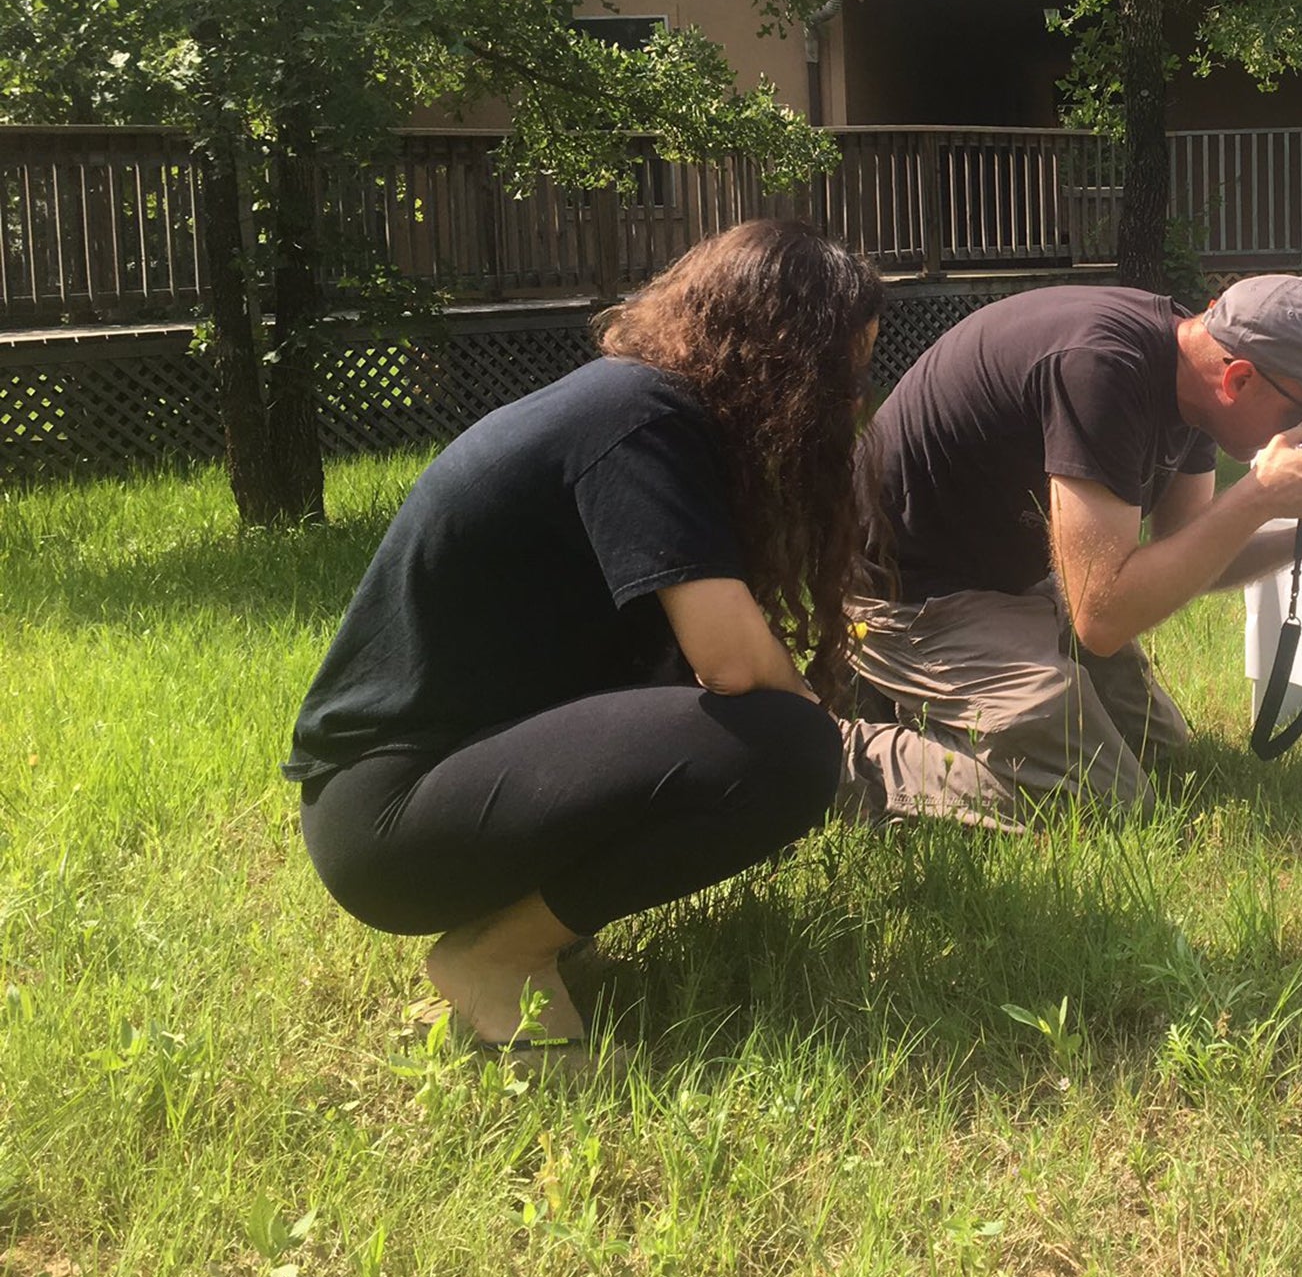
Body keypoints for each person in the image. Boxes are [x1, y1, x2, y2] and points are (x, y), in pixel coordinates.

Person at [286, 219, 884, 1047]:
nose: (851, 403)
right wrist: (819, 742)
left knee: (753, 724)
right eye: (839, 374)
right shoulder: (639, 419)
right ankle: (499, 958)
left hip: (424, 792)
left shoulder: (641, 410)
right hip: (389, 818)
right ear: (782, 357)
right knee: (786, 749)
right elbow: (733, 662)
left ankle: (529, 936)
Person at [841, 274, 1302, 828]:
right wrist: (1259, 496)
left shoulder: (1198, 377)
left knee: (1164, 755)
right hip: (904, 590)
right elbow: (1101, 619)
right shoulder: (1101, 370)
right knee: (1099, 798)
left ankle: (946, 708)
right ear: (1240, 379)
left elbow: (1191, 549)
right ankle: (840, 751)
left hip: (1008, 581)